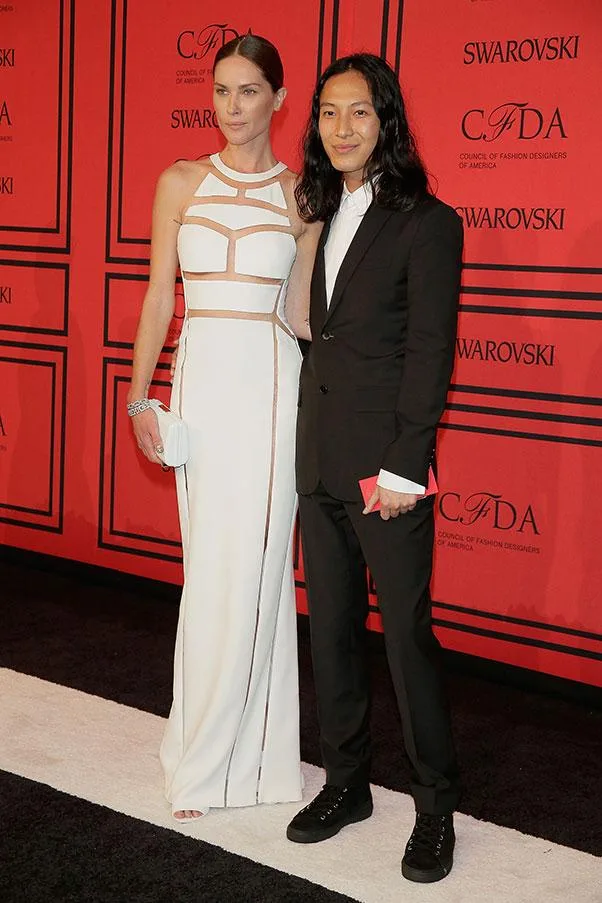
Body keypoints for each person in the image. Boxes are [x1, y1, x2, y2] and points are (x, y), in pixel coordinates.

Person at [128, 34, 320, 822]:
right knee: (211, 568)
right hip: (201, 383)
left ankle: (249, 761)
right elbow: (157, 299)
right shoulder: (178, 181)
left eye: (249, 91)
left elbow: (304, 316)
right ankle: (203, 743)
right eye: (221, 91)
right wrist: (141, 398)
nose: (232, 106)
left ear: (279, 99)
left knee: (262, 566)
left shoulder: (305, 196)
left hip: (275, 388)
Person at [286, 54, 463, 884]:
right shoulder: (320, 210)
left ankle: (435, 807)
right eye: (328, 113)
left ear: (386, 120)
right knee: (330, 635)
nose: (342, 128)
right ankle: (346, 783)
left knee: (406, 642)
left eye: (359, 113)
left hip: (385, 473)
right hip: (320, 460)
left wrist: (405, 464)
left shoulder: (427, 221)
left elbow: (431, 352)